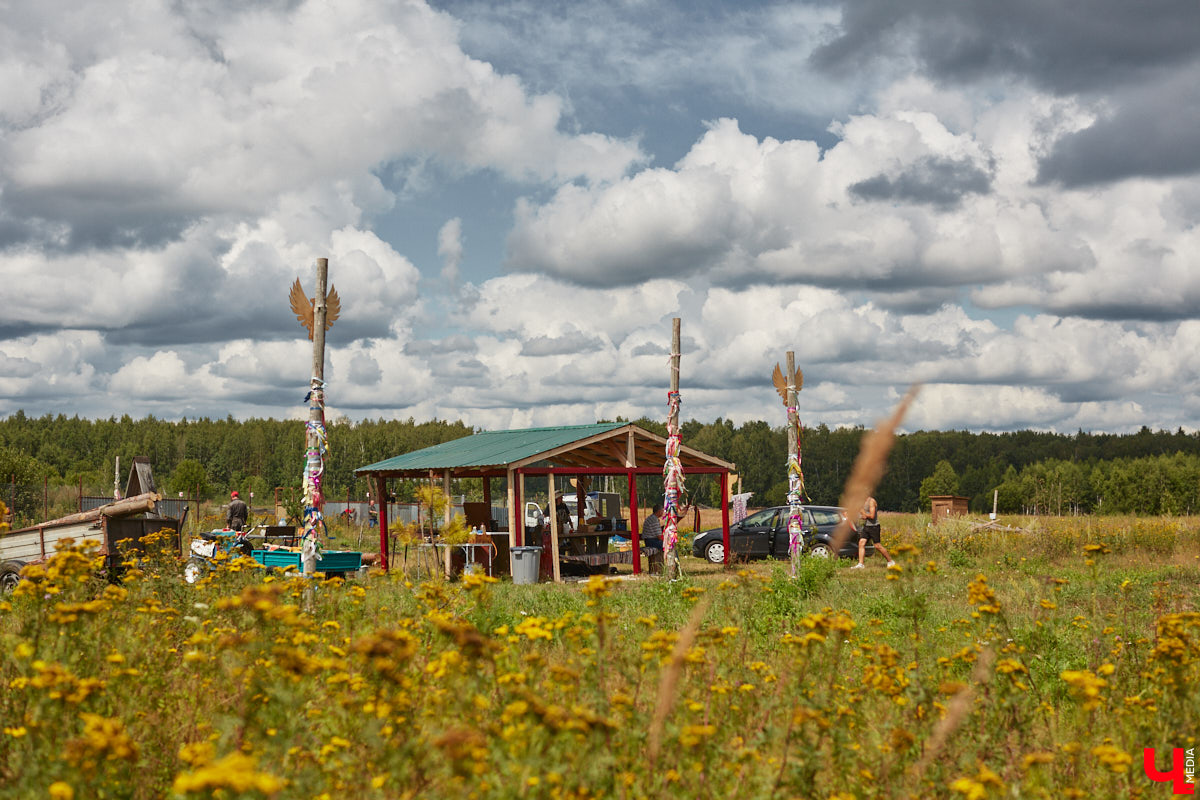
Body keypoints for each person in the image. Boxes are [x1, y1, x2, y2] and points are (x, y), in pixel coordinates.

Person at [852, 496, 894, 569]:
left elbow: (872, 516)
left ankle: (890, 561)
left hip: (874, 527)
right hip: (866, 526)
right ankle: (861, 564)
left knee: (877, 546)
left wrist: (864, 513)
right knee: (861, 543)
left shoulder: (871, 502)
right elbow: (863, 515)